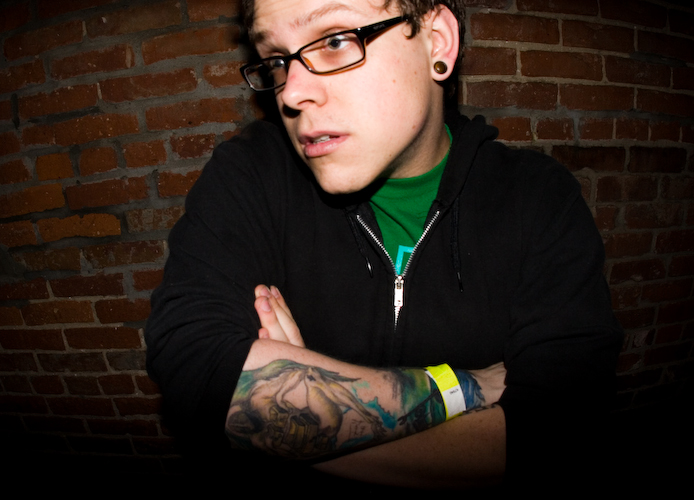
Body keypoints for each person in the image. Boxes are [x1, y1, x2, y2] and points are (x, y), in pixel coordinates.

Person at [145, 0, 623, 492]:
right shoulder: (252, 174)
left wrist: (297, 422)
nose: (292, 92)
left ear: (437, 41)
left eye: (335, 41)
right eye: (278, 61)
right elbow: (197, 371)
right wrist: (463, 388)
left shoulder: (538, 198)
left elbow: (558, 437)